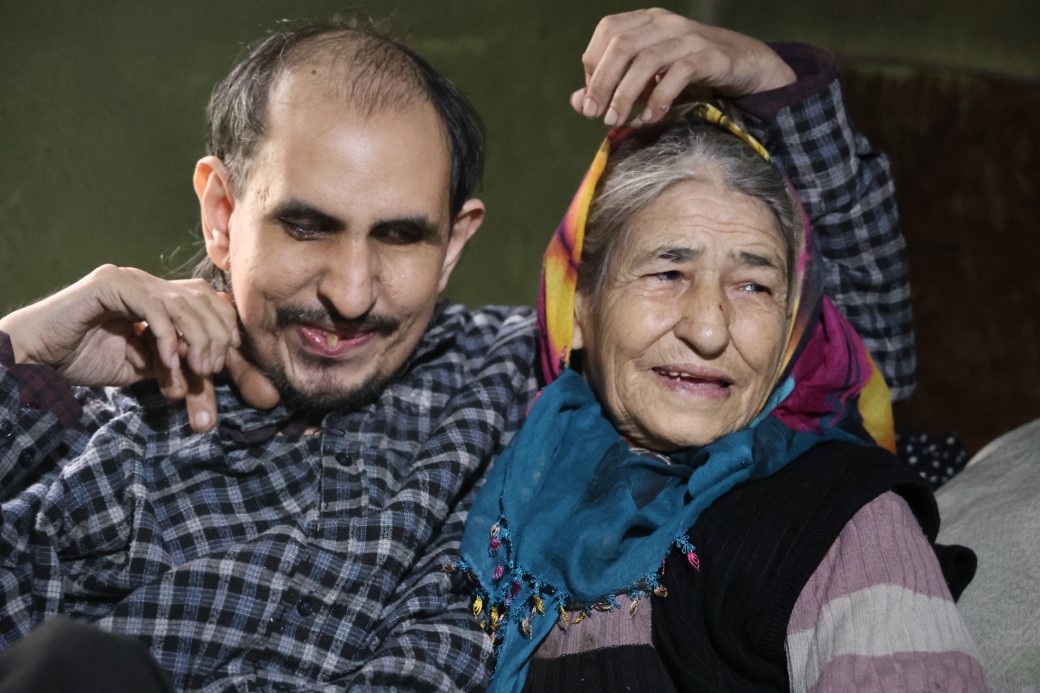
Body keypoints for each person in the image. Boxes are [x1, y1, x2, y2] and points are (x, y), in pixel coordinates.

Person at [0, 8, 912, 691]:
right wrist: (19, 353)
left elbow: (829, 358)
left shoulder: (532, 385)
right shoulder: (98, 397)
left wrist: (764, 79)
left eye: (399, 238)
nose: (351, 295)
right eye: (310, 228)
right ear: (223, 214)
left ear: (456, 242)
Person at [458, 105, 986, 691]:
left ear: (791, 329)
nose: (708, 330)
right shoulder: (504, 474)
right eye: (667, 273)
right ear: (578, 307)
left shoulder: (839, 517)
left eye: (754, 286)